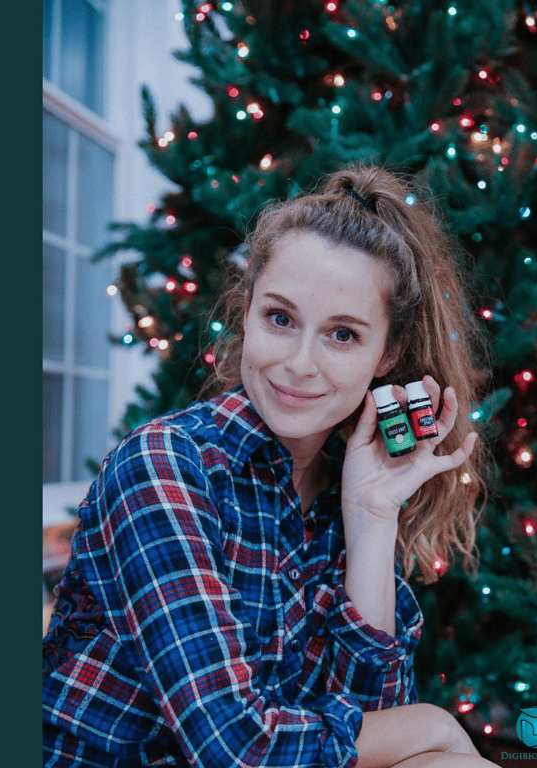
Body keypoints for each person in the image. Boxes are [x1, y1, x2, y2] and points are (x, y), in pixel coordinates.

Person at [43, 164, 500, 768]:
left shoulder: (348, 478)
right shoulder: (165, 465)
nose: (299, 364)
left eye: (342, 335)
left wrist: (370, 517)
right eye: (280, 319)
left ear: (387, 354)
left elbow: (371, 730)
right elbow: (236, 747)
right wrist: (435, 724)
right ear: (247, 310)